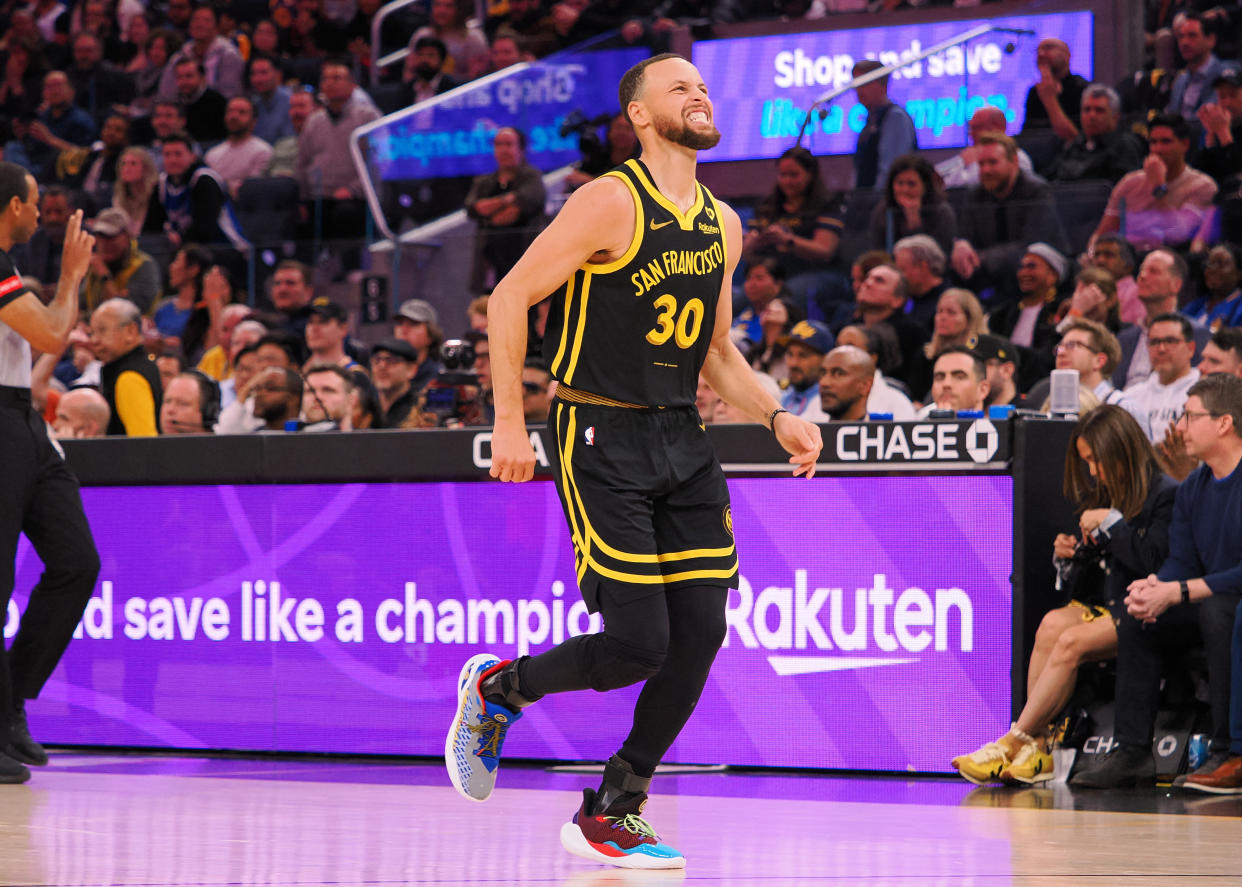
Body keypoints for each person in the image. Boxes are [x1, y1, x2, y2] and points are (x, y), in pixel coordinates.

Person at [445, 53, 822, 869]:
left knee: (702, 631)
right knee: (639, 643)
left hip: (682, 435)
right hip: (598, 433)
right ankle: (499, 690)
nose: (699, 93)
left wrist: (777, 415)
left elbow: (717, 350)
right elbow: (510, 296)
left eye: (704, 85)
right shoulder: (608, 200)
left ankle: (617, 803)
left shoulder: (723, 221)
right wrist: (511, 419)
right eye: (679, 86)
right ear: (641, 116)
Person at [952, 405, 1176, 785]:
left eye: (1097, 461)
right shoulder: (1105, 492)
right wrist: (1071, 556)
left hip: (1149, 609)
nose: (1092, 471)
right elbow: (1098, 572)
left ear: (1120, 450)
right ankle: (1037, 747)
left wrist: (1112, 525)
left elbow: (1153, 559)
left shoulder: (1166, 495)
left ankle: (1013, 740)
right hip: (1106, 603)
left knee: (1071, 641)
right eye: (1087, 461)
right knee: (1052, 624)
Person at [1074, 374, 1242, 788]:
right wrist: (1155, 588)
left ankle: (1228, 750)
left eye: (1189, 416)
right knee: (1141, 616)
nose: (1178, 426)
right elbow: (1180, 562)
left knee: (1221, 610)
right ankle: (1132, 750)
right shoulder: (1192, 489)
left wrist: (1181, 590)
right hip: (1206, 597)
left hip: (1227, 601)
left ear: (1224, 423)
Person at [0, 161, 99, 784]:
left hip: (22, 417)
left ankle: (9, 700)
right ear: (11, 206)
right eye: (36, 204)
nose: (41, 214)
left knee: (76, 561)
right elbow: (53, 333)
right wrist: (70, 277)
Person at [741, 146, 847, 315]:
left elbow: (824, 251)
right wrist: (752, 243)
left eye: (794, 175)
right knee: (736, 297)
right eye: (783, 175)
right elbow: (746, 254)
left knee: (790, 293)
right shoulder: (766, 207)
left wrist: (787, 240)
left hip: (817, 273)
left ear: (810, 174)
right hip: (772, 273)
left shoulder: (827, 205)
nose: (787, 181)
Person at [1091, 113, 1217, 252]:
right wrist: (1091, 254)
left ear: (1185, 144)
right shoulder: (1129, 182)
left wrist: (1158, 187)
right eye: (1153, 142)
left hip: (1171, 260)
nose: (1158, 149)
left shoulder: (1203, 186)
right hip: (1127, 259)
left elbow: (1178, 235)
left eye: (1166, 142)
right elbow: (1102, 233)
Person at [464, 127, 547, 293]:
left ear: (521, 149)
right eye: (498, 145)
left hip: (525, 261)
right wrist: (506, 200)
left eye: (509, 144)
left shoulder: (532, 177)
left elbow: (512, 213)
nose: (503, 150)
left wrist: (491, 209)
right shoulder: (484, 182)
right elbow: (473, 208)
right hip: (490, 263)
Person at [88, 296, 162, 436]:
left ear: (131, 331)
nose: (94, 340)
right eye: (91, 333)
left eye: (102, 330)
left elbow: (144, 442)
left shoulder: (129, 377)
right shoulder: (139, 367)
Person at [1045, 84, 1145, 184]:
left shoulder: (1125, 146)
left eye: (1099, 110)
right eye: (1087, 110)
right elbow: (1049, 178)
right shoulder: (1075, 145)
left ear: (1115, 117)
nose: (1091, 116)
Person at [869, 154, 956, 257]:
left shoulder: (942, 212)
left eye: (911, 184)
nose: (905, 190)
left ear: (925, 186)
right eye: (900, 183)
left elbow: (939, 256)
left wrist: (914, 223)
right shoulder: (882, 212)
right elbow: (879, 253)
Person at [851, 59, 917, 190]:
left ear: (882, 85)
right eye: (856, 84)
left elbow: (891, 170)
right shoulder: (869, 122)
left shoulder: (895, 118)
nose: (858, 90)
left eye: (864, 83)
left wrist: (878, 204)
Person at [935, 105, 1035, 189]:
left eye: (976, 128)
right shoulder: (970, 154)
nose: (971, 134)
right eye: (970, 129)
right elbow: (949, 186)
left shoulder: (1018, 157)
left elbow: (975, 186)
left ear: (996, 128)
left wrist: (972, 164)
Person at [1022, 37, 1089, 141]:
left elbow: (1077, 139)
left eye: (1048, 48)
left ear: (1067, 55)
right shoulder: (1034, 92)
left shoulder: (1083, 89)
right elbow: (1027, 133)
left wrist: (1049, 98)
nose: (1041, 54)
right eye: (1038, 50)